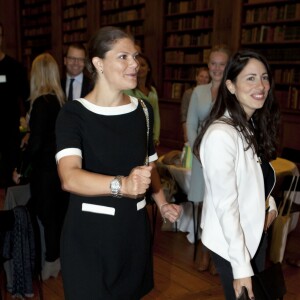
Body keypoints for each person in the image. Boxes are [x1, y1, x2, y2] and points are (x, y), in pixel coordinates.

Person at [55, 26, 182, 299]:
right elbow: (70, 177)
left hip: (133, 232)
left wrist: (162, 203)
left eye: (135, 56)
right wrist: (121, 185)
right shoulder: (73, 114)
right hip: (89, 237)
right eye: (123, 57)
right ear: (98, 63)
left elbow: (149, 166)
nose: (134, 64)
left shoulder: (143, 110)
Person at [193, 50, 280, 299]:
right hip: (235, 244)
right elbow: (225, 205)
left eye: (264, 77)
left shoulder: (248, 124)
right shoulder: (222, 134)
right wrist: (241, 268)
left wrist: (269, 206)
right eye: (250, 78)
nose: (261, 85)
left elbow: (256, 178)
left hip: (254, 233)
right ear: (230, 86)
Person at [12, 53, 68, 281]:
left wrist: (20, 170)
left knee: (46, 216)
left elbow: (35, 145)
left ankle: (50, 263)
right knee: (58, 215)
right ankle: (58, 259)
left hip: (44, 171)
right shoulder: (60, 101)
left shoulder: (40, 103)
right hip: (61, 168)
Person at [186, 45, 230, 274]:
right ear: (208, 65)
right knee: (204, 205)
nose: (216, 68)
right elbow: (192, 124)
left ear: (228, 66)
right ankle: (204, 250)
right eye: (213, 63)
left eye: (221, 64)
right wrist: (198, 149)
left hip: (225, 157)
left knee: (221, 204)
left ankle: (218, 254)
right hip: (201, 155)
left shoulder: (233, 90)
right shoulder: (198, 92)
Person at [0, 22, 29, 188]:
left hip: (9, 131)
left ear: (2, 38)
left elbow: (26, 99)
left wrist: (27, 127)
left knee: (10, 177)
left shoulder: (14, 67)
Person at [124, 53, 161, 146]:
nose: (139, 68)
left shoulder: (153, 90)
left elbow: (156, 114)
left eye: (143, 65)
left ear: (149, 68)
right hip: (133, 135)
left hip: (150, 134)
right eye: (137, 65)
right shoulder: (127, 89)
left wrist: (156, 136)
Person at [181, 67, 210, 143]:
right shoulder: (188, 93)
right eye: (201, 76)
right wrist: (186, 133)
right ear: (196, 77)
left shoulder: (210, 95)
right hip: (191, 129)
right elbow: (184, 116)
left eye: (206, 77)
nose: (203, 79)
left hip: (206, 131)